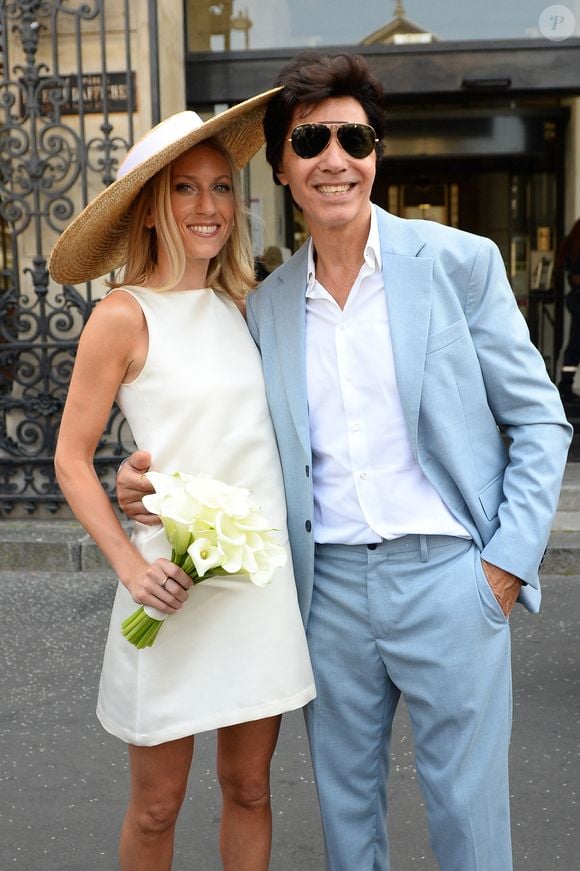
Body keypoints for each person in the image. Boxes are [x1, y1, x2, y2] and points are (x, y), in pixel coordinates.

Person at [117, 52, 572, 871]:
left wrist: (504, 564)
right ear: (285, 165)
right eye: (312, 139)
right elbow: (218, 415)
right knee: (347, 824)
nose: (336, 157)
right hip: (326, 596)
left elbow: (540, 420)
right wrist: (143, 477)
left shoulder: (459, 265)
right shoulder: (266, 304)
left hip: (450, 579)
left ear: (375, 154)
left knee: (471, 822)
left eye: (354, 138)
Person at [50, 94, 315, 871]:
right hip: (168, 583)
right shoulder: (123, 316)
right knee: (157, 805)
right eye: (185, 188)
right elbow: (71, 457)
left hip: (255, 587)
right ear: (151, 208)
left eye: (221, 186)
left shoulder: (246, 304)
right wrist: (132, 567)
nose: (209, 206)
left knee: (251, 790)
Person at [555, 217, 580, 401]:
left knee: (574, 344)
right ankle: (565, 384)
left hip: (575, 299)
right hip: (578, 299)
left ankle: (565, 383)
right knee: (575, 344)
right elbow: (575, 277)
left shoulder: (573, 245)